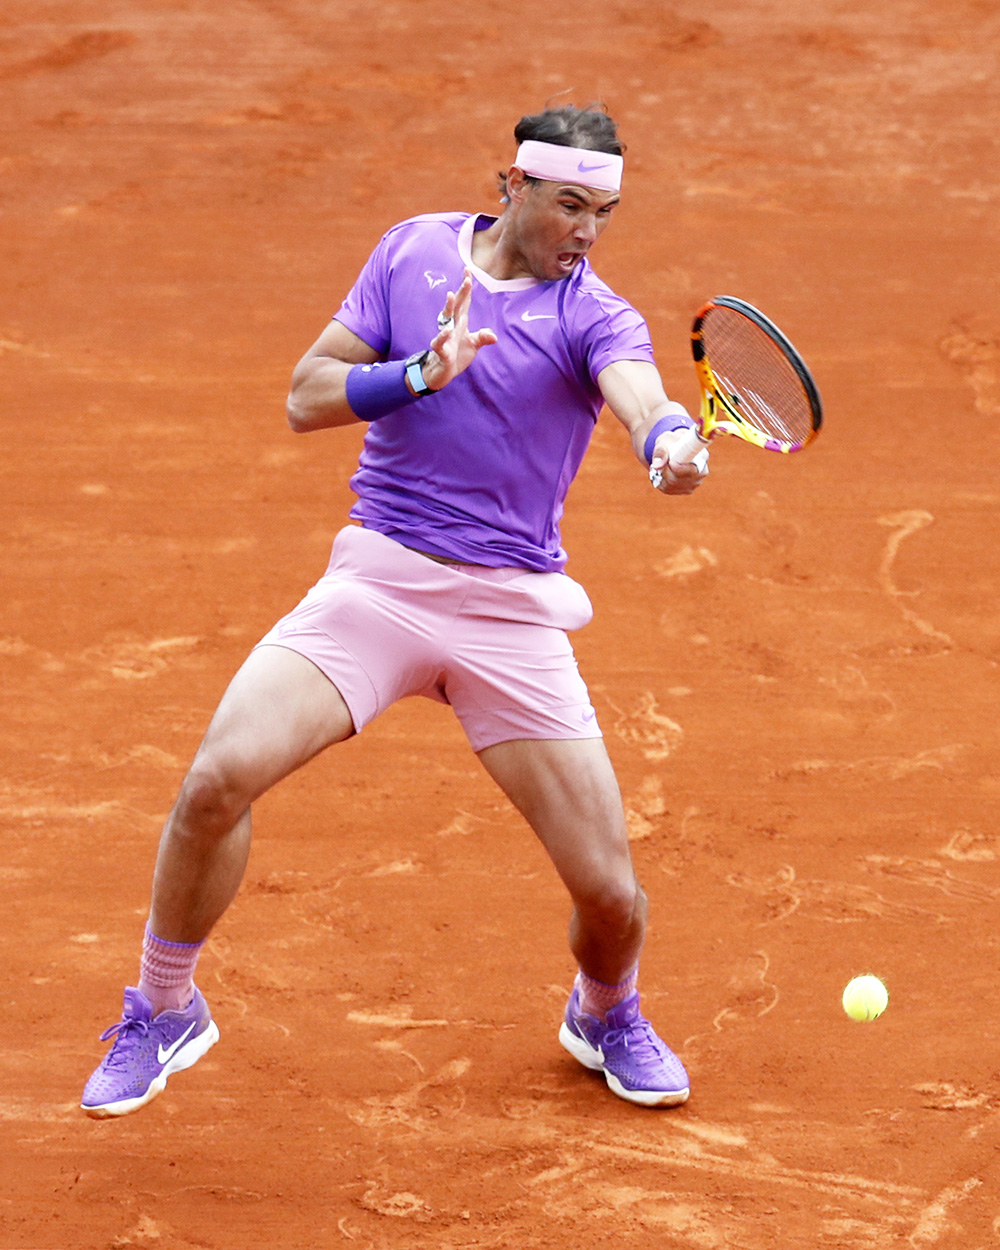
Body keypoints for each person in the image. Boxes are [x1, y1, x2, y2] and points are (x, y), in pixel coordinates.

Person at [81, 103, 709, 1119]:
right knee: (212, 781)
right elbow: (305, 392)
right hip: (379, 583)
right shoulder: (413, 253)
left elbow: (638, 392)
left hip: (508, 613)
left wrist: (666, 440)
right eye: (568, 204)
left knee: (611, 895)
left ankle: (606, 1010)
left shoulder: (597, 313)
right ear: (511, 187)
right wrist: (418, 374)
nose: (587, 231)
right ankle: (163, 1004)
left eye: (606, 211)